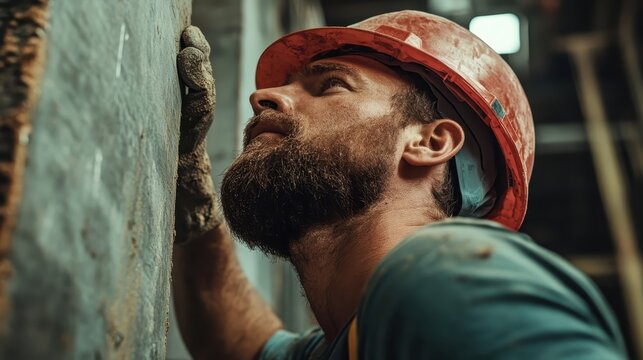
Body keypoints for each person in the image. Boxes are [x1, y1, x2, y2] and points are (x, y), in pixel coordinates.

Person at [172, 11, 628, 360]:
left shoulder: (450, 279)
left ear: (429, 143)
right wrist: (193, 194)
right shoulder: (361, 334)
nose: (265, 96)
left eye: (330, 85)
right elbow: (243, 344)